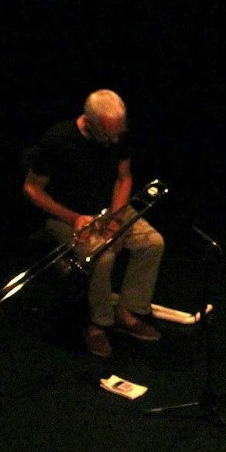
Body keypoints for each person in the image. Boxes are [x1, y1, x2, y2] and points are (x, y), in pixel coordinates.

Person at [23, 89, 165, 358]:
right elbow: (32, 189)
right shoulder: (59, 139)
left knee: (152, 243)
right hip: (67, 215)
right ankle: (98, 323)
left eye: (118, 133)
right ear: (88, 122)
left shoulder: (117, 133)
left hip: (108, 209)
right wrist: (74, 218)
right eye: (108, 135)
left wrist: (116, 218)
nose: (115, 140)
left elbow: (124, 178)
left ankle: (127, 311)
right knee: (102, 256)